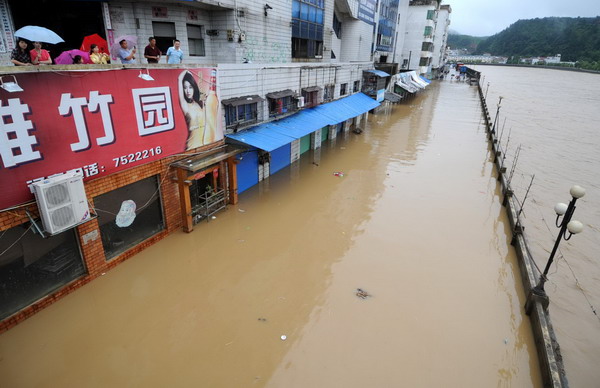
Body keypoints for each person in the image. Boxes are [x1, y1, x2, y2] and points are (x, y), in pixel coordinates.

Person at [178, 70, 206, 150]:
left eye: (190, 87)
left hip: (206, 145)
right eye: (185, 87)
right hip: (192, 148)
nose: (188, 91)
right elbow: (180, 79)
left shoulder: (200, 103)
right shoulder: (185, 106)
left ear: (194, 88)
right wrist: (186, 71)